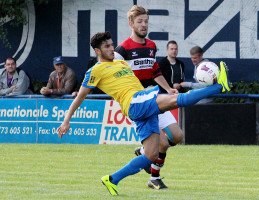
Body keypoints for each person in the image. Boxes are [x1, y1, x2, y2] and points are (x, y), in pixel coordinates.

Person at [57, 31, 230, 196]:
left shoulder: (120, 62)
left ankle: (112, 179)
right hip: (134, 102)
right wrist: (66, 121)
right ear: (97, 51)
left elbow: (144, 64)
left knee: (151, 155)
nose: (112, 49)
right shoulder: (95, 71)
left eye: (112, 45)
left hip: (140, 103)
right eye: (107, 46)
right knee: (178, 101)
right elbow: (80, 97)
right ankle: (219, 86)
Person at [114, 5, 184, 189]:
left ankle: (145, 152)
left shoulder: (151, 46)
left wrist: (168, 89)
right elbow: (114, 76)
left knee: (177, 136)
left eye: (146, 21)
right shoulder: (122, 50)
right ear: (131, 23)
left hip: (154, 97)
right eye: (140, 21)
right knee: (161, 142)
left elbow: (155, 71)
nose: (144, 25)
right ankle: (154, 178)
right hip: (139, 103)